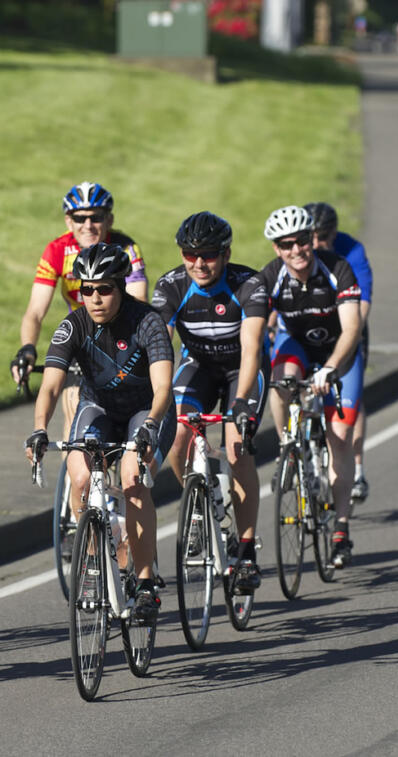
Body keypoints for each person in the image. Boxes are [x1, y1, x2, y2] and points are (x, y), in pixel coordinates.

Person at [25, 243, 175, 621]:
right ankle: (95, 562)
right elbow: (51, 386)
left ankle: (143, 583)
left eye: (103, 289)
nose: (93, 297)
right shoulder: (73, 325)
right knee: (79, 477)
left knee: (131, 479)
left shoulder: (148, 322)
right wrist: (39, 429)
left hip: (146, 410)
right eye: (85, 289)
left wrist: (150, 428)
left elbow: (162, 390)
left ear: (121, 286)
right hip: (101, 409)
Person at [152, 211, 268, 595]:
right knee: (178, 435)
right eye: (190, 254)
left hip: (242, 370)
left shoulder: (250, 283)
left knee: (237, 449)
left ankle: (247, 550)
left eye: (209, 255)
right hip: (198, 365)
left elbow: (251, 349)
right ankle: (200, 504)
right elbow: (158, 345)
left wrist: (240, 405)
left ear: (226, 253)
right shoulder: (170, 286)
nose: (199, 263)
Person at [243, 206, 363, 568]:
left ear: (312, 239)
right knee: (281, 381)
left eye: (301, 241)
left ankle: (340, 526)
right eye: (285, 244)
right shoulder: (271, 275)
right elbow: (255, 328)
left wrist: (329, 368)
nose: (295, 250)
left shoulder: (337, 267)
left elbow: (353, 329)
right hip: (297, 345)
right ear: (277, 249)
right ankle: (287, 445)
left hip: (338, 351)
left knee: (339, 437)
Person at [12, 182, 148, 440]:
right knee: (74, 414)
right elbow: (35, 312)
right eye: (80, 218)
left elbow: (139, 299)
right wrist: (27, 348)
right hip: (83, 334)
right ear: (68, 220)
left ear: (109, 219)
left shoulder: (126, 248)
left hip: (123, 333)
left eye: (96, 217)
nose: (88, 225)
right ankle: (76, 478)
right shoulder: (56, 250)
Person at [305, 201, 373, 503]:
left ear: (334, 234)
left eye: (324, 238)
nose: (318, 245)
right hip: (309, 325)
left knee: (350, 399)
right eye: (313, 237)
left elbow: (363, 307)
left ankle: (356, 467)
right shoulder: (300, 249)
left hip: (348, 326)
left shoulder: (352, 251)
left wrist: (347, 340)